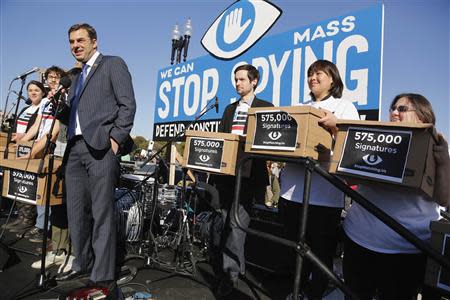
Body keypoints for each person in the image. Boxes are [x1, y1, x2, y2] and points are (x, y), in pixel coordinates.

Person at [342, 93, 450, 300]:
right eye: (393, 108)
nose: (393, 112)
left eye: (402, 109)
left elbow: (444, 200)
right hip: (359, 240)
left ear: (422, 116)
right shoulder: (374, 138)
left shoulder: (439, 147)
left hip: (407, 249)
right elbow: (350, 181)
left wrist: (443, 161)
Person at [55, 23, 136, 296]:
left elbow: (128, 105)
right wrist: (58, 105)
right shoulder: (75, 78)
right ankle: (83, 265)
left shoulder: (113, 64)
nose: (75, 45)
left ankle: (102, 276)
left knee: (102, 214)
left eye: (80, 40)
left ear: (94, 42)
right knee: (76, 213)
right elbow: (73, 118)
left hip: (101, 148)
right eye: (71, 42)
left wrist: (115, 140)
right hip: (75, 149)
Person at [278, 59, 359, 299]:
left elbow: (352, 150)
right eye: (310, 74)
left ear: (332, 79)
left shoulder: (344, 107)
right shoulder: (298, 107)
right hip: (291, 194)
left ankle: (314, 294)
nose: (313, 78)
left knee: (320, 254)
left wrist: (334, 131)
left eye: (319, 73)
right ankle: (295, 292)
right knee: (294, 252)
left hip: (324, 199)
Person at [212, 64, 273, 297]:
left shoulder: (266, 107)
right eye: (235, 80)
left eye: (242, 80)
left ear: (254, 81)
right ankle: (235, 270)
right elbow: (223, 140)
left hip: (250, 177)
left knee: (237, 227)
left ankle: (230, 278)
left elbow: (270, 144)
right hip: (228, 177)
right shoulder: (229, 110)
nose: (238, 84)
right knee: (226, 224)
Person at [2, 80, 45, 234]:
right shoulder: (26, 108)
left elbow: (39, 130)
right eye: (30, 90)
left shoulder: (43, 108)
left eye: (36, 90)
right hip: (18, 148)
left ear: (43, 93)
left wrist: (24, 136)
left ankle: (28, 219)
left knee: (28, 184)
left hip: (33, 149)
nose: (33, 93)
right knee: (17, 182)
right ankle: (21, 217)